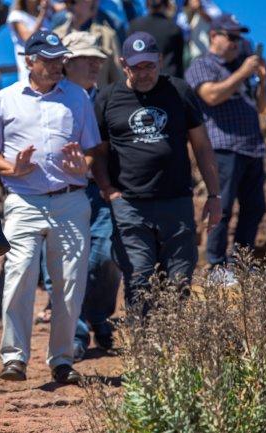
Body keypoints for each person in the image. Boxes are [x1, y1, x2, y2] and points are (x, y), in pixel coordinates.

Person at [0, 30, 100, 384]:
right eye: (50, 59)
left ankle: (61, 359)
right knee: (18, 276)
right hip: (24, 201)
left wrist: (83, 166)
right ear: (30, 61)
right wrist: (12, 168)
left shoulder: (78, 97)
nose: (58, 65)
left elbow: (91, 149)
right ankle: (14, 358)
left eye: (61, 59)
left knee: (70, 282)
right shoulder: (5, 98)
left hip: (72, 200)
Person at [93, 32, 222, 311]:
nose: (143, 73)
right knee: (138, 279)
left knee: (178, 282)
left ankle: (172, 351)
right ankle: (141, 349)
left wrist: (214, 196)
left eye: (149, 65)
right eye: (136, 66)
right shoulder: (108, 99)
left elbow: (201, 146)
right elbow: (98, 153)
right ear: (123, 63)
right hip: (129, 204)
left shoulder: (180, 91)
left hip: (176, 202)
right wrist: (108, 190)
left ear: (160, 61)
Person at [185, 14, 266, 277]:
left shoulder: (239, 69)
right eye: (230, 37)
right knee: (223, 205)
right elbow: (210, 95)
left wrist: (262, 80)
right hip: (222, 147)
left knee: (255, 207)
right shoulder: (203, 65)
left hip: (251, 148)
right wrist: (243, 72)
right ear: (213, 36)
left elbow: (262, 107)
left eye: (238, 38)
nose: (235, 43)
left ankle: (240, 263)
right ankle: (216, 264)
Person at [61, 31, 122, 358]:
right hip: (62, 191)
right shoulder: (52, 99)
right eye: (88, 58)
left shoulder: (109, 99)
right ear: (67, 61)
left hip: (102, 191)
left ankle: (97, 316)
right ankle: (81, 329)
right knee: (70, 261)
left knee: (105, 255)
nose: (97, 64)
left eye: (99, 58)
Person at [51, 0, 124, 86]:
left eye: (73, 2)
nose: (68, 6)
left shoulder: (106, 36)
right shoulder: (57, 35)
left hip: (97, 97)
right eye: (66, 2)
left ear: (90, 2)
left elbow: (118, 77)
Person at [127, 0, 185, 78]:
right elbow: (179, 63)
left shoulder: (134, 26)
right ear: (167, 4)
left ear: (147, 4)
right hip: (168, 81)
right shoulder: (173, 28)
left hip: (142, 80)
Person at [8, 0, 53, 83]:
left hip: (48, 69)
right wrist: (42, 15)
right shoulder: (17, 16)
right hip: (28, 70)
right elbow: (29, 39)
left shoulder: (48, 14)